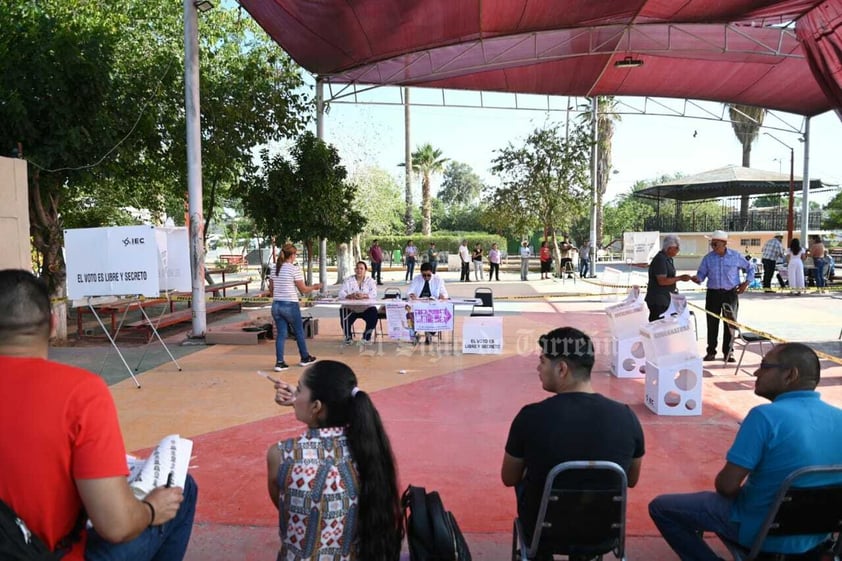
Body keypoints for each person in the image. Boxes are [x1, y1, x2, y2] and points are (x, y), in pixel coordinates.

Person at [0, 269, 198, 561]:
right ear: (53, 324)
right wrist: (152, 509)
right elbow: (116, 526)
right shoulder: (79, 392)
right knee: (182, 489)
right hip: (48, 554)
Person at [649, 343, 842, 561]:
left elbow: (726, 486)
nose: (757, 372)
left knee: (662, 508)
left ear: (790, 374)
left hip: (759, 528)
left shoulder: (765, 417)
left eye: (765, 366)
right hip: (816, 534)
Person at [502, 327, 645, 551]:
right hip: (604, 533)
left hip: (543, 532)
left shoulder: (530, 417)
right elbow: (632, 479)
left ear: (561, 368)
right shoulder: (626, 416)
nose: (538, 368)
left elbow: (509, 477)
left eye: (542, 361)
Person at [267, 361, 404, 561]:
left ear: (316, 406)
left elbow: (288, 507)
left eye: (298, 389)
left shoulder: (281, 455)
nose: (294, 395)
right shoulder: (367, 450)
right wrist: (301, 400)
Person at [691, 230, 755, 362]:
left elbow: (751, 268)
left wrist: (746, 283)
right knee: (712, 322)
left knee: (730, 323)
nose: (713, 246)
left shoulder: (735, 256)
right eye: (712, 244)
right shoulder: (708, 258)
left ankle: (728, 352)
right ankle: (711, 351)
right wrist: (696, 279)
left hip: (730, 293)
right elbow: (701, 275)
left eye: (716, 244)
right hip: (713, 293)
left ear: (724, 243)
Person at [268, 243, 321, 371]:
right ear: (292, 255)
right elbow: (303, 289)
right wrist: (314, 287)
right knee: (298, 331)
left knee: (281, 334)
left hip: (276, 305)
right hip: (290, 304)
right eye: (295, 254)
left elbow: (271, 289)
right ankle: (304, 357)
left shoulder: (274, 268)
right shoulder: (293, 269)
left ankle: (279, 362)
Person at [645, 235, 692, 322]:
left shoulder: (668, 259)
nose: (678, 250)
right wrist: (680, 278)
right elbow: (662, 281)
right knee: (658, 326)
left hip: (666, 298)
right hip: (658, 300)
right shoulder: (660, 259)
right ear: (670, 248)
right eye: (677, 248)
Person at [407, 262, 449, 344]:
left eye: (428, 275)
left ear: (432, 273)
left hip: (433, 306)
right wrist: (412, 295)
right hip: (418, 305)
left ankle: (429, 333)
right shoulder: (416, 279)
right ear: (421, 274)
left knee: (440, 315)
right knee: (408, 314)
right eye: (424, 275)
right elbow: (409, 292)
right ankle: (415, 334)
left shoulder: (438, 280)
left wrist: (442, 296)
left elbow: (445, 294)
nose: (426, 277)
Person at [338, 261, 379, 344]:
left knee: (374, 313)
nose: (359, 270)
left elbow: (374, 294)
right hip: (351, 308)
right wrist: (350, 296)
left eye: (361, 268)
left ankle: (366, 337)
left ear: (365, 270)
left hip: (366, 308)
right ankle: (348, 337)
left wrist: (364, 296)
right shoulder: (348, 280)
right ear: (355, 270)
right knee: (343, 311)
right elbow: (341, 293)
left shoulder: (370, 281)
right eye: (357, 268)